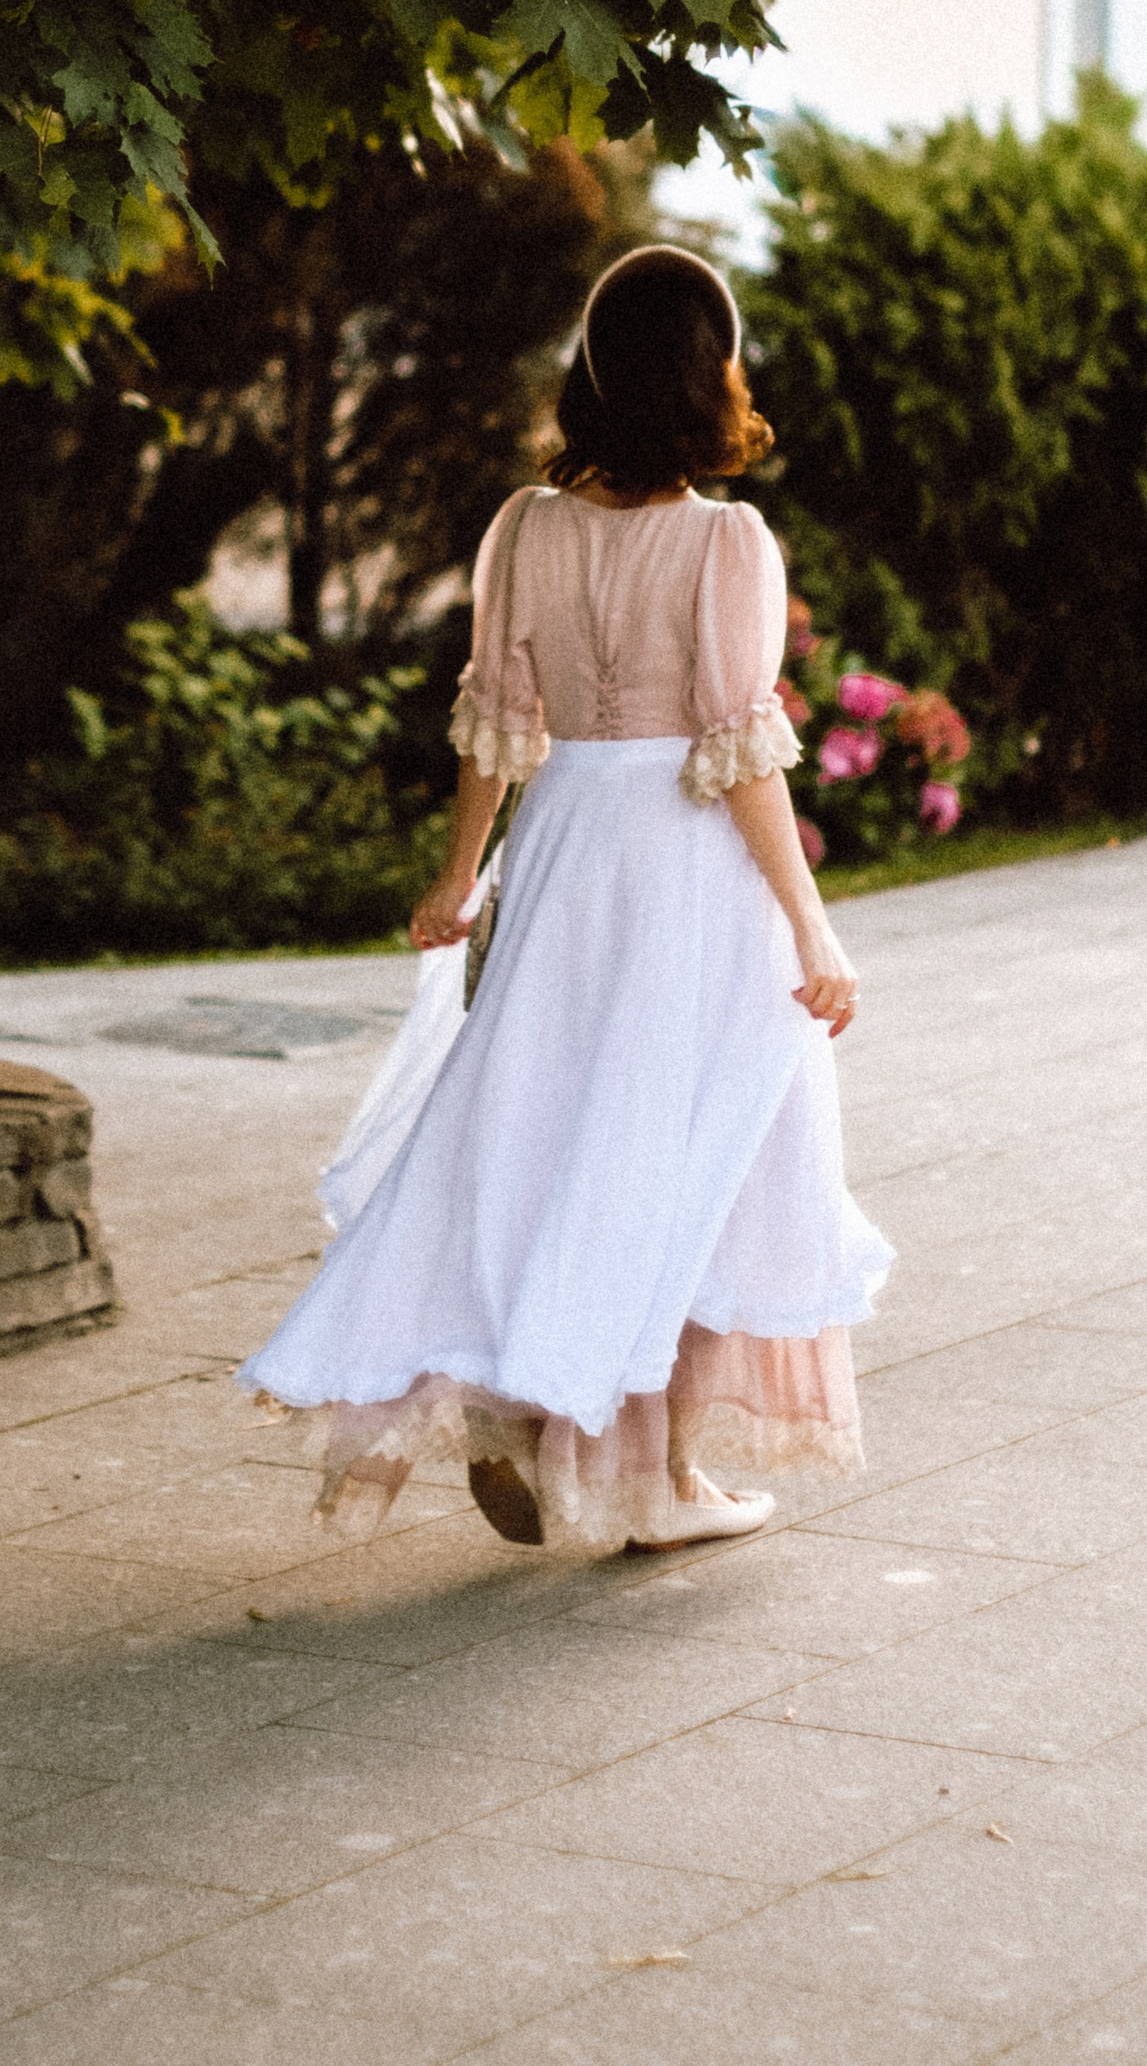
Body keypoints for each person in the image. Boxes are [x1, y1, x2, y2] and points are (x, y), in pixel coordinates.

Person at [239, 245, 892, 1553]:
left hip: (564, 850)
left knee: (547, 1130)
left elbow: (496, 726)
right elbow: (741, 745)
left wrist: (459, 876)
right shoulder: (726, 543)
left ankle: (536, 1415)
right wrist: (813, 928)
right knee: (708, 1153)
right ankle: (659, 1477)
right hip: (686, 865)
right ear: (709, 374)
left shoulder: (523, 529)